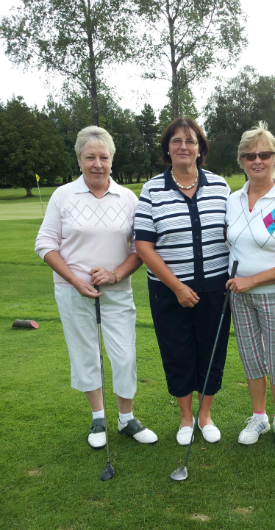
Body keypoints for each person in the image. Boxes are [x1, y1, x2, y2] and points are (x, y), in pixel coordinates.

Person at [35, 126, 158, 449]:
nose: (97, 164)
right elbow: (45, 244)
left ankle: (126, 418)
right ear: (79, 160)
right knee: (85, 354)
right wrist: (75, 280)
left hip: (117, 290)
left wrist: (115, 275)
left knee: (124, 355)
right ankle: (98, 418)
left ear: (112, 160)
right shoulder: (63, 195)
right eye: (90, 157)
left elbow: (140, 248)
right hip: (72, 290)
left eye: (103, 157)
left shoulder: (128, 198)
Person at [134, 118, 231, 446]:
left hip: (215, 288)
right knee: (177, 354)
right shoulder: (152, 189)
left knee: (211, 352)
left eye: (190, 141)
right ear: (167, 148)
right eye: (176, 141)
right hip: (168, 291)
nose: (183, 146)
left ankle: (205, 416)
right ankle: (186, 418)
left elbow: (234, 232)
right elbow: (143, 245)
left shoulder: (219, 186)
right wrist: (177, 286)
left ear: (200, 148)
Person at [225, 122, 275, 450]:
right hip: (239, 295)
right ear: (241, 160)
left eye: (264, 154)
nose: (257, 160)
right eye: (250, 155)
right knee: (250, 358)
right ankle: (259, 416)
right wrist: (240, 281)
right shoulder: (233, 199)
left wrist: (252, 280)